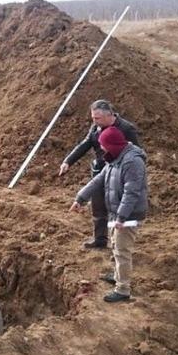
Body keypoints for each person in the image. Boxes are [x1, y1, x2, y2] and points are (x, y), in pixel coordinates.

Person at [70, 127, 148, 303]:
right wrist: (80, 198)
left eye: (104, 146)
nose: (102, 149)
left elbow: (131, 192)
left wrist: (121, 217)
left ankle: (122, 289)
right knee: (115, 245)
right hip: (117, 212)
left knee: (122, 251)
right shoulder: (115, 159)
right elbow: (98, 180)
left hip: (128, 215)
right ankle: (116, 274)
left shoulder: (132, 162)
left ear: (112, 144)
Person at [59, 99, 140, 249]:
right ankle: (100, 240)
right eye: (93, 118)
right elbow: (85, 144)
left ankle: (120, 244)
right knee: (98, 207)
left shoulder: (126, 129)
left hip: (118, 174)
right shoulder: (96, 127)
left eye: (97, 118)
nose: (94, 121)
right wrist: (68, 161)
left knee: (117, 208)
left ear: (109, 115)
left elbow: (136, 154)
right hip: (100, 171)